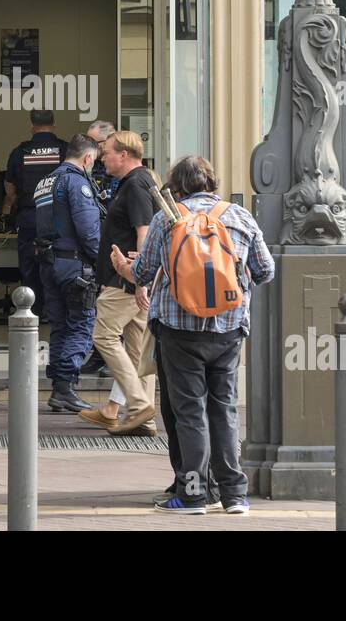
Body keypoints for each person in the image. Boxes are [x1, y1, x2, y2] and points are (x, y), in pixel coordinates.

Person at [110, 155, 274, 515]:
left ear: (177, 186)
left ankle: (194, 494)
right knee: (224, 409)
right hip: (228, 329)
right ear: (211, 182)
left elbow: (144, 272)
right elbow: (265, 270)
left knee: (189, 412)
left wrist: (124, 265)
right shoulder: (239, 216)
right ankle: (234, 495)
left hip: (179, 330)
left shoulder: (167, 219)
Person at [80, 130, 160, 435]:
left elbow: (145, 231)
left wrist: (139, 279)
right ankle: (144, 418)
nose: (103, 157)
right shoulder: (140, 181)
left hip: (125, 279)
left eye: (107, 152)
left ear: (123, 155)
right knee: (138, 351)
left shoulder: (136, 184)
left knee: (104, 337)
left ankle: (139, 405)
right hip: (132, 278)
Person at [34, 134, 102, 413]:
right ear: (87, 158)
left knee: (60, 325)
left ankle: (59, 388)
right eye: (94, 161)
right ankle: (65, 387)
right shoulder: (77, 182)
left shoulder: (44, 182)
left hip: (49, 263)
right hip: (75, 264)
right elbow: (88, 230)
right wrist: (103, 261)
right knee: (81, 324)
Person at [2, 111, 66, 314]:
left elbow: (10, 188)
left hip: (29, 216)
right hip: (58, 217)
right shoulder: (64, 149)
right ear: (54, 124)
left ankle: (33, 311)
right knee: (58, 262)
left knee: (29, 266)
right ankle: (54, 310)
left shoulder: (20, 152)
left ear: (32, 125)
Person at [78, 120, 115, 377]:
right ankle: (100, 355)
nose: (92, 148)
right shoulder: (94, 168)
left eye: (96, 143)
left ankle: (110, 358)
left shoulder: (117, 170)